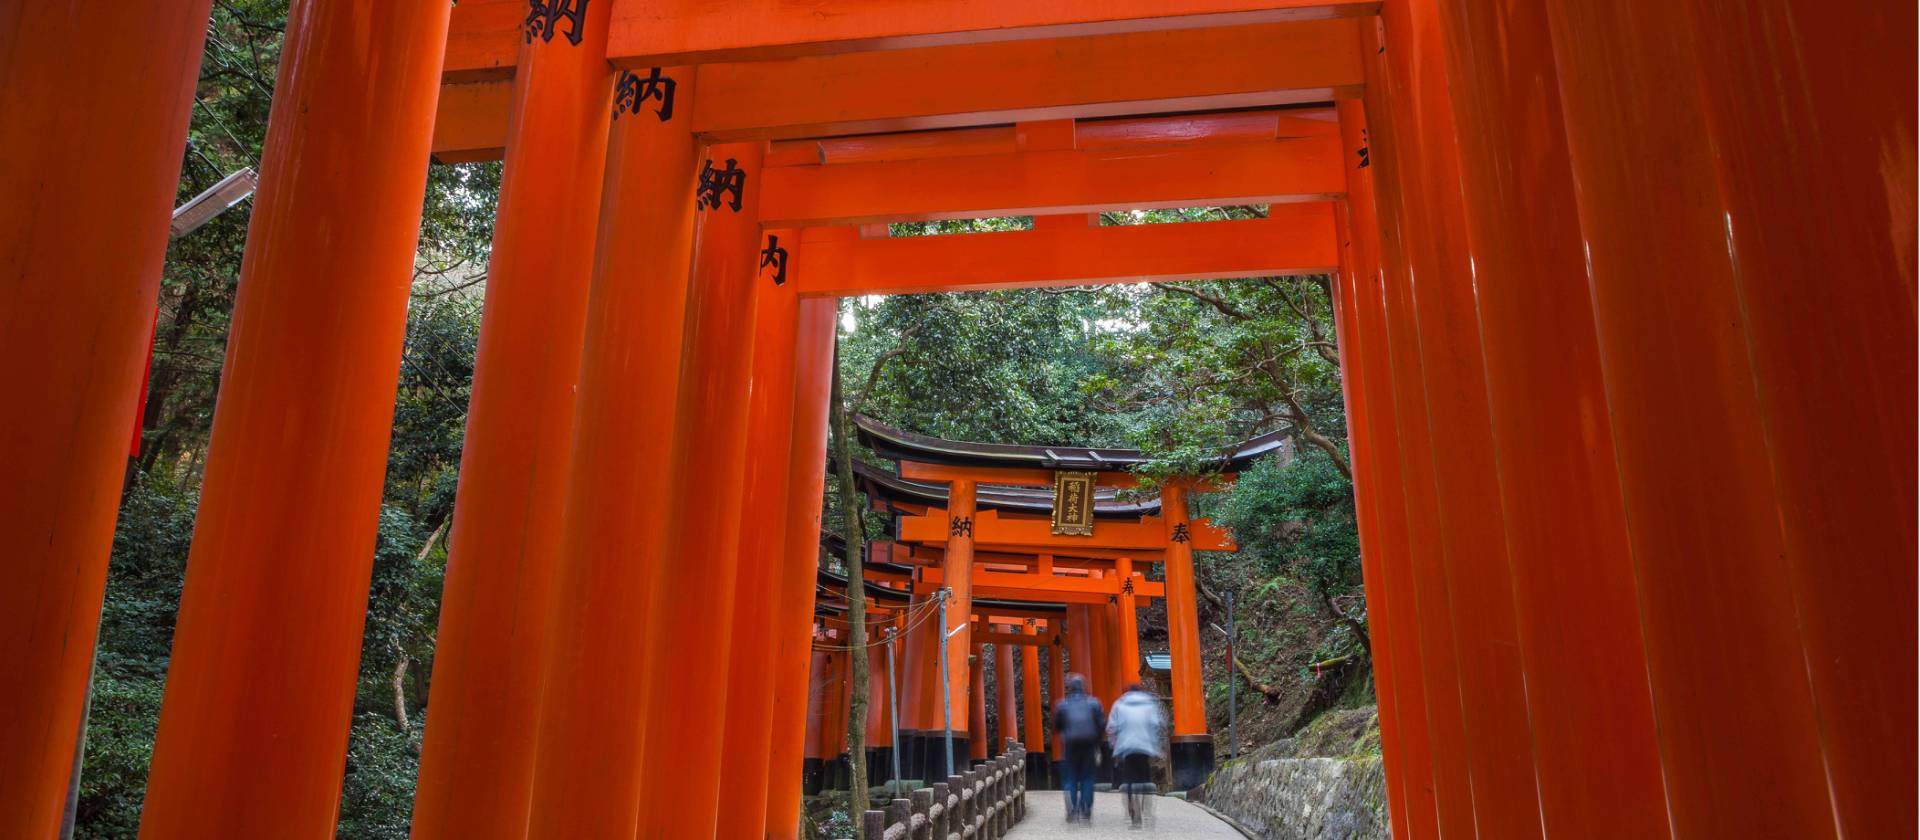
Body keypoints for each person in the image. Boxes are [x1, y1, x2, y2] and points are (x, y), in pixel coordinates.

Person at [1106, 683, 1167, 828]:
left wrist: (1114, 746)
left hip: (1126, 748)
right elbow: (1156, 724)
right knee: (1145, 780)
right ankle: (1148, 812)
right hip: (1144, 747)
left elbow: (1111, 728)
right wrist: (1155, 745)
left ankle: (1134, 815)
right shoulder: (1148, 704)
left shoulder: (1119, 704)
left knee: (1129, 781)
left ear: (1127, 692)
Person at [1051, 673, 1105, 823]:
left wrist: (1065, 733)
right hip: (1089, 744)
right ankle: (1086, 810)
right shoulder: (1094, 703)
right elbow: (1101, 725)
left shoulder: (1062, 704)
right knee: (1088, 777)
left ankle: (1072, 808)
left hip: (1070, 744)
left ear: (1070, 688)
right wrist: (1097, 743)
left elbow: (1056, 727)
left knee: (1071, 777)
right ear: (1083, 687)